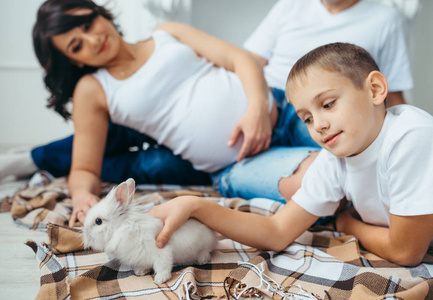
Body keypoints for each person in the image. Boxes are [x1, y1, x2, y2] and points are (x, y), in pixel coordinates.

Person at [17, 0, 320, 227]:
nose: (93, 40)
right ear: (73, 60)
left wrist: (255, 110)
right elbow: (85, 168)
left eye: (87, 25)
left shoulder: (166, 33)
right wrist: (83, 197)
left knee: (355, 145)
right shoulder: (93, 88)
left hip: (280, 112)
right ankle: (30, 158)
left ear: (100, 14)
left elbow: (240, 59)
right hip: (238, 163)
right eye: (77, 45)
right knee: (322, 178)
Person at [149, 43, 433, 266]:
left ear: (375, 89)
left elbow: (405, 251)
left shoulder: (413, 136)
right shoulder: (335, 159)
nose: (318, 125)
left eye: (328, 104)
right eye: (306, 118)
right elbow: (276, 231)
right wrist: (195, 206)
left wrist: (346, 224)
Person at [244, 0, 413, 107]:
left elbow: (392, 95)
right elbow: (249, 62)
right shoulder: (290, 5)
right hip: (263, 98)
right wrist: (258, 104)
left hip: (322, 111)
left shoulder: (386, 19)